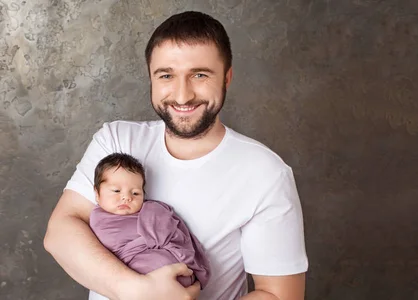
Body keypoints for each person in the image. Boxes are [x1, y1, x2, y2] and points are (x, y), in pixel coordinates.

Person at [44, 10, 308, 300]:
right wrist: (136, 291)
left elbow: (279, 294)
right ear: (151, 78)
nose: (182, 96)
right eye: (167, 75)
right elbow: (60, 231)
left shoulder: (265, 172)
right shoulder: (117, 140)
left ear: (227, 77)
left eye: (199, 75)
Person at [89, 152, 210, 289]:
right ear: (97, 193)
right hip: (141, 281)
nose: (126, 197)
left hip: (179, 276)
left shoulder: (152, 211)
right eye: (116, 191)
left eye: (135, 193)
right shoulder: (99, 219)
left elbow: (174, 233)